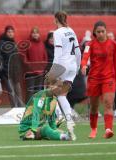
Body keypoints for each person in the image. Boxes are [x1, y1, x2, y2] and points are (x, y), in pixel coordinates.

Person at [45, 11, 81, 141]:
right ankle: (69, 120)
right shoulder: (71, 31)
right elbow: (78, 51)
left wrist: (54, 69)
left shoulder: (57, 32)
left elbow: (58, 52)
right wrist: (77, 67)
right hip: (72, 66)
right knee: (61, 95)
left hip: (62, 65)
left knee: (49, 88)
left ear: (55, 20)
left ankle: (57, 116)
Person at [81, 21, 116, 139]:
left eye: (103, 31)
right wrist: (83, 65)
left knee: (108, 103)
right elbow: (85, 57)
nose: (101, 34)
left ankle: (108, 129)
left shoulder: (113, 44)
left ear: (106, 31)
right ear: (94, 32)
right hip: (94, 79)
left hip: (109, 78)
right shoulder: (90, 44)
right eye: (98, 32)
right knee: (94, 107)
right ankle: (93, 129)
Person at [0, 25, 24, 107]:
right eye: (9, 32)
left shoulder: (14, 43)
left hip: (15, 72)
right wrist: (3, 70)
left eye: (12, 32)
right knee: (11, 92)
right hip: (6, 72)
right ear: (5, 33)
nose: (11, 33)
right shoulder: (0, 43)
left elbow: (17, 58)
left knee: (18, 91)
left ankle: (21, 109)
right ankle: (14, 109)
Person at [24, 26, 48, 103]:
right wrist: (30, 67)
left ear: (39, 34)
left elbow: (45, 57)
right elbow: (24, 57)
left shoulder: (41, 44)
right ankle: (28, 108)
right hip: (30, 73)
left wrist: (42, 68)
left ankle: (36, 108)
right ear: (31, 34)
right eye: (33, 33)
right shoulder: (27, 43)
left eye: (36, 33)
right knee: (30, 91)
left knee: (38, 91)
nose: (35, 34)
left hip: (40, 72)